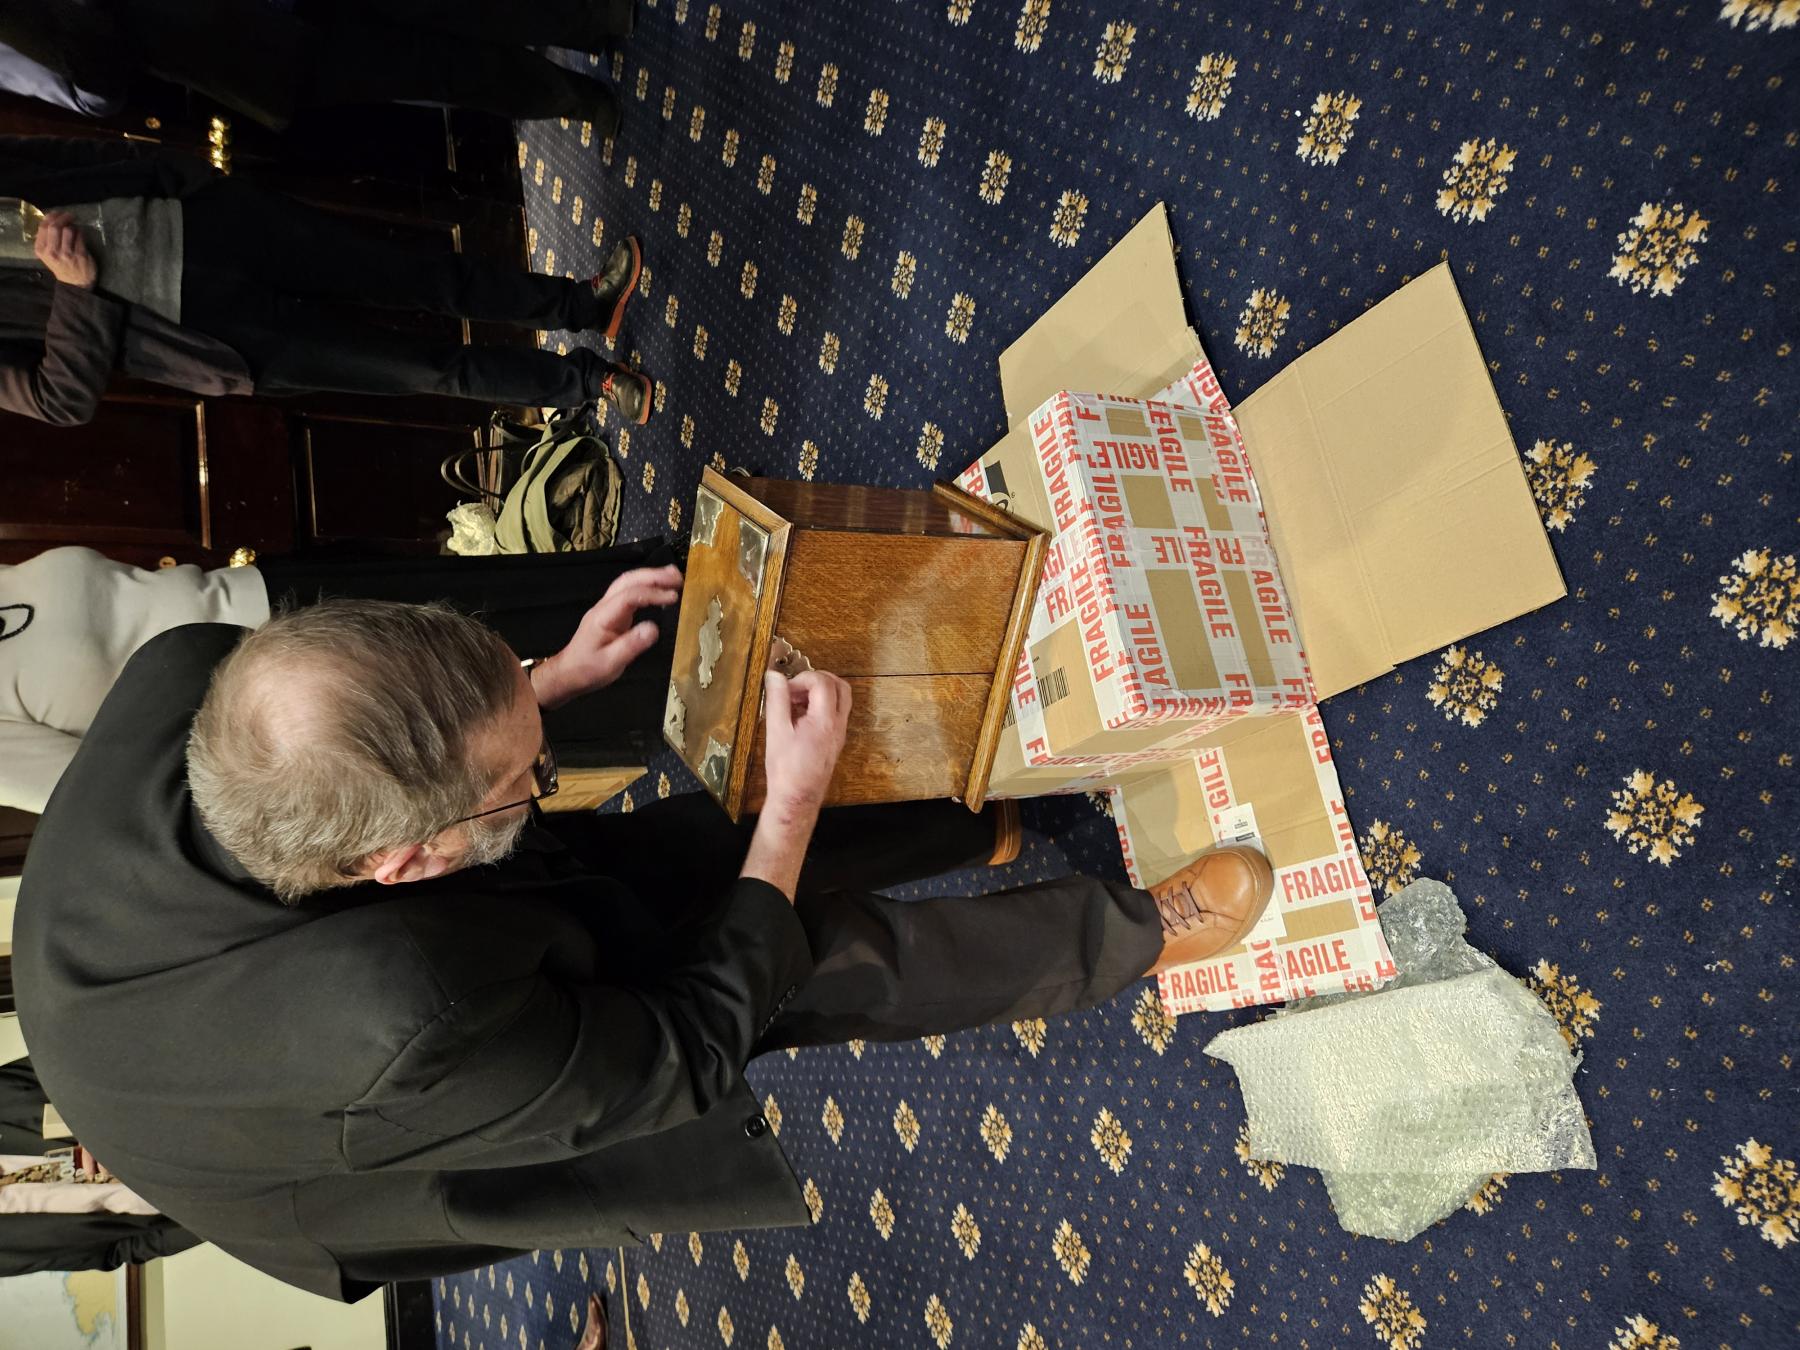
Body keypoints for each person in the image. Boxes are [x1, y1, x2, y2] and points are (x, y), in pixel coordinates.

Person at [11, 595, 1274, 1300]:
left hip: (237, 956)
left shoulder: (189, 670)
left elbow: (394, 724)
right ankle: (1144, 935)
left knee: (646, 863)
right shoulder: (406, 1023)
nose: (547, 771)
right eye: (528, 777)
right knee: (794, 962)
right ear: (400, 867)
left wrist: (535, 679)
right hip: (298, 1148)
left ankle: (972, 818)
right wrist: (785, 811)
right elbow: (685, 1042)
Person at [0, 135, 652, 426]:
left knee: (420, 275)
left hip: (208, 224)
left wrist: (179, 177)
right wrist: (76, 294)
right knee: (422, 368)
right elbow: (60, 400)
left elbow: (69, 155)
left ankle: (583, 304)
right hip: (208, 334)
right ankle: (587, 383)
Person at [0, 541, 682, 814]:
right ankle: (698, 682)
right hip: (303, 690)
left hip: (279, 589)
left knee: (491, 593)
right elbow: (138, 801)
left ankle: (683, 577)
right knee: (506, 678)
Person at [0, 0, 634, 133]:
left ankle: (586, 17)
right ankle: (571, 98)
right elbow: (96, 95)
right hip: (232, 44)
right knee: (422, 70)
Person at [0, 1057, 201, 1275]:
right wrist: (208, 1226)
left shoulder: (5, 1096)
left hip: (190, 1112)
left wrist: (94, 1121)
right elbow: (115, 1251)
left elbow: (84, 1060)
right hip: (206, 1202)